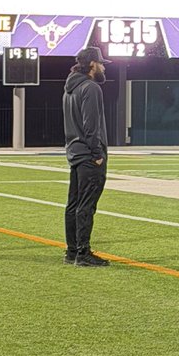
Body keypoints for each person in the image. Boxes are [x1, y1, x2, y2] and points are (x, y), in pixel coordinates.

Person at [63, 46, 110, 266]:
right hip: (88, 155)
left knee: (73, 204)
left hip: (74, 152)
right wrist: (97, 153)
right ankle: (83, 253)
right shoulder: (90, 88)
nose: (103, 67)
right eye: (101, 63)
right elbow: (91, 124)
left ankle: (72, 251)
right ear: (92, 65)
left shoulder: (70, 89)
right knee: (86, 206)